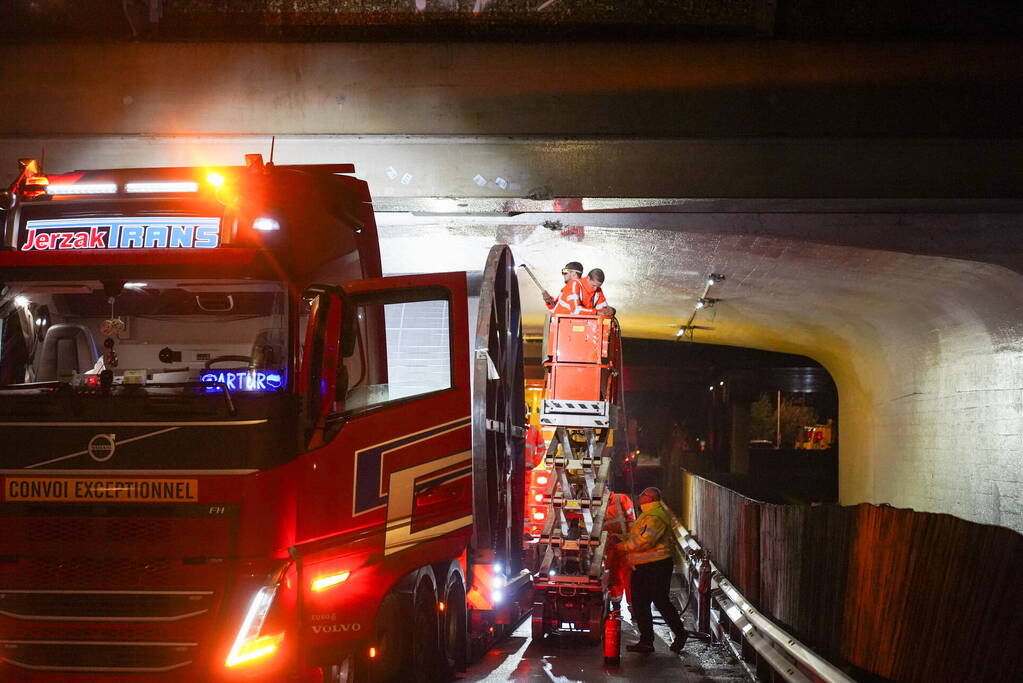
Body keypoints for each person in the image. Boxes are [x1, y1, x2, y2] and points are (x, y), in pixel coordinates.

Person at [615, 487, 687, 654]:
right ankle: (646, 641)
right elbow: (637, 536)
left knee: (660, 602)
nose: (640, 496)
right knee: (641, 604)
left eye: (643, 494)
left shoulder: (654, 516)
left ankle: (680, 634)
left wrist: (622, 546)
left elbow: (644, 541)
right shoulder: (648, 514)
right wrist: (621, 538)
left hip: (656, 567)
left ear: (651, 498)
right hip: (645, 567)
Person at [603, 484, 636, 607]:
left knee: (629, 576)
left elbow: (632, 519)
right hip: (609, 545)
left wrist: (629, 538)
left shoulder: (620, 498)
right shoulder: (597, 504)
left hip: (624, 543)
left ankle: (634, 605)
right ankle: (616, 603)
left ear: (608, 489)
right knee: (613, 574)